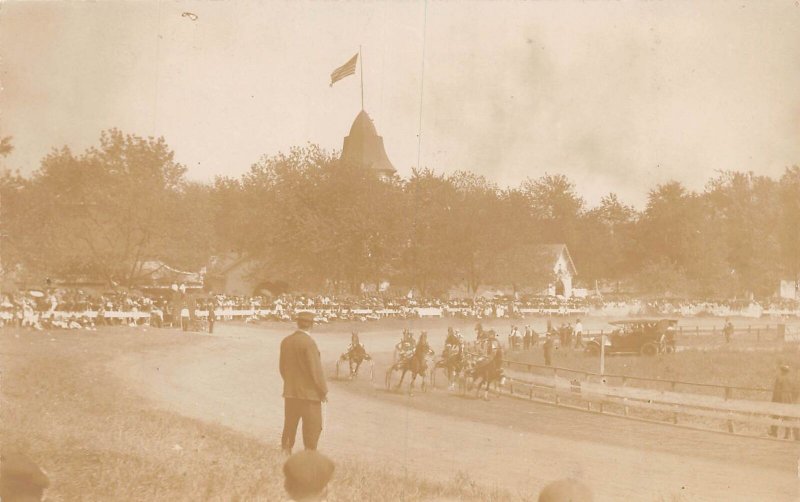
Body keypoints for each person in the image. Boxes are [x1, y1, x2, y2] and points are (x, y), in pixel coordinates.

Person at [280, 311, 328, 455]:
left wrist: (290, 383)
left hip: (290, 391)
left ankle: (285, 451)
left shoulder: (286, 341)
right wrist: (323, 390)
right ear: (311, 325)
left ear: (298, 323)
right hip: (309, 394)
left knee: (290, 423)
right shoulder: (309, 343)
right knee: (312, 426)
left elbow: (282, 368)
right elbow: (316, 370)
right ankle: (309, 454)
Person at [769, 364, 797, 439]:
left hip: (779, 400)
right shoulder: (791, 379)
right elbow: (795, 391)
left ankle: (774, 432)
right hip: (788, 400)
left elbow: (776, 391)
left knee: (775, 416)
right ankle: (787, 434)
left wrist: (774, 400)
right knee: (787, 417)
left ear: (782, 371)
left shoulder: (779, 378)